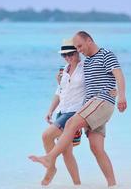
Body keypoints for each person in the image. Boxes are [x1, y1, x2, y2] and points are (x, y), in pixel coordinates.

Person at [30, 31, 127, 188]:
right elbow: (71, 87)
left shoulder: (106, 54)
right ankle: (112, 185)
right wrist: (61, 81)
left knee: (71, 123)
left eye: (79, 46)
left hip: (100, 101)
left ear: (89, 40)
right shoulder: (87, 63)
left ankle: (50, 158)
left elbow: (119, 75)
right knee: (96, 148)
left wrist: (121, 96)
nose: (79, 50)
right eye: (76, 48)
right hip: (90, 106)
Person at [29, 39, 85, 186]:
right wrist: (50, 110)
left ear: (78, 52)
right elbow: (59, 93)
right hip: (62, 111)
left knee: (46, 135)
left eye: (70, 54)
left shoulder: (85, 68)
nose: (67, 58)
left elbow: (97, 83)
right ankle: (78, 185)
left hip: (75, 113)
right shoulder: (63, 70)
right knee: (67, 152)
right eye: (64, 55)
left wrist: (112, 91)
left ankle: (51, 166)